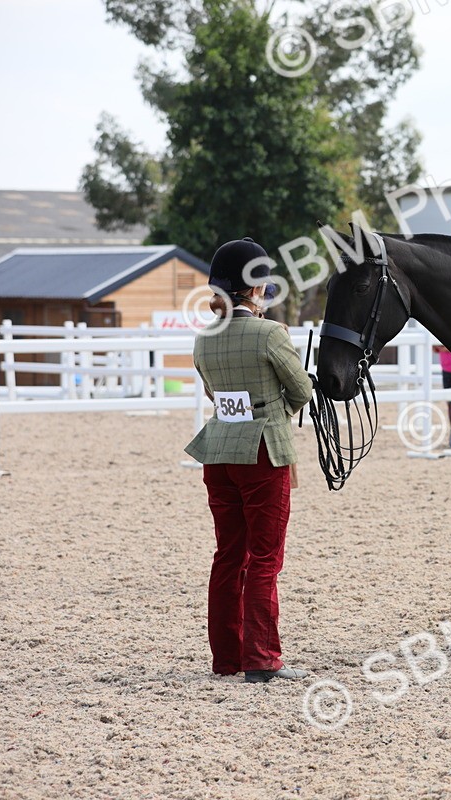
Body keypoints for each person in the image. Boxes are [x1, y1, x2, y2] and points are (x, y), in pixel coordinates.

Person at [184, 238, 313, 683]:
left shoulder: (203, 339)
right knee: (264, 558)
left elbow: (212, 393)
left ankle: (227, 657)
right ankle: (261, 657)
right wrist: (275, 409)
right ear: (256, 288)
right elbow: (302, 391)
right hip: (262, 453)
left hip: (218, 452)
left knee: (228, 556)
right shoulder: (271, 334)